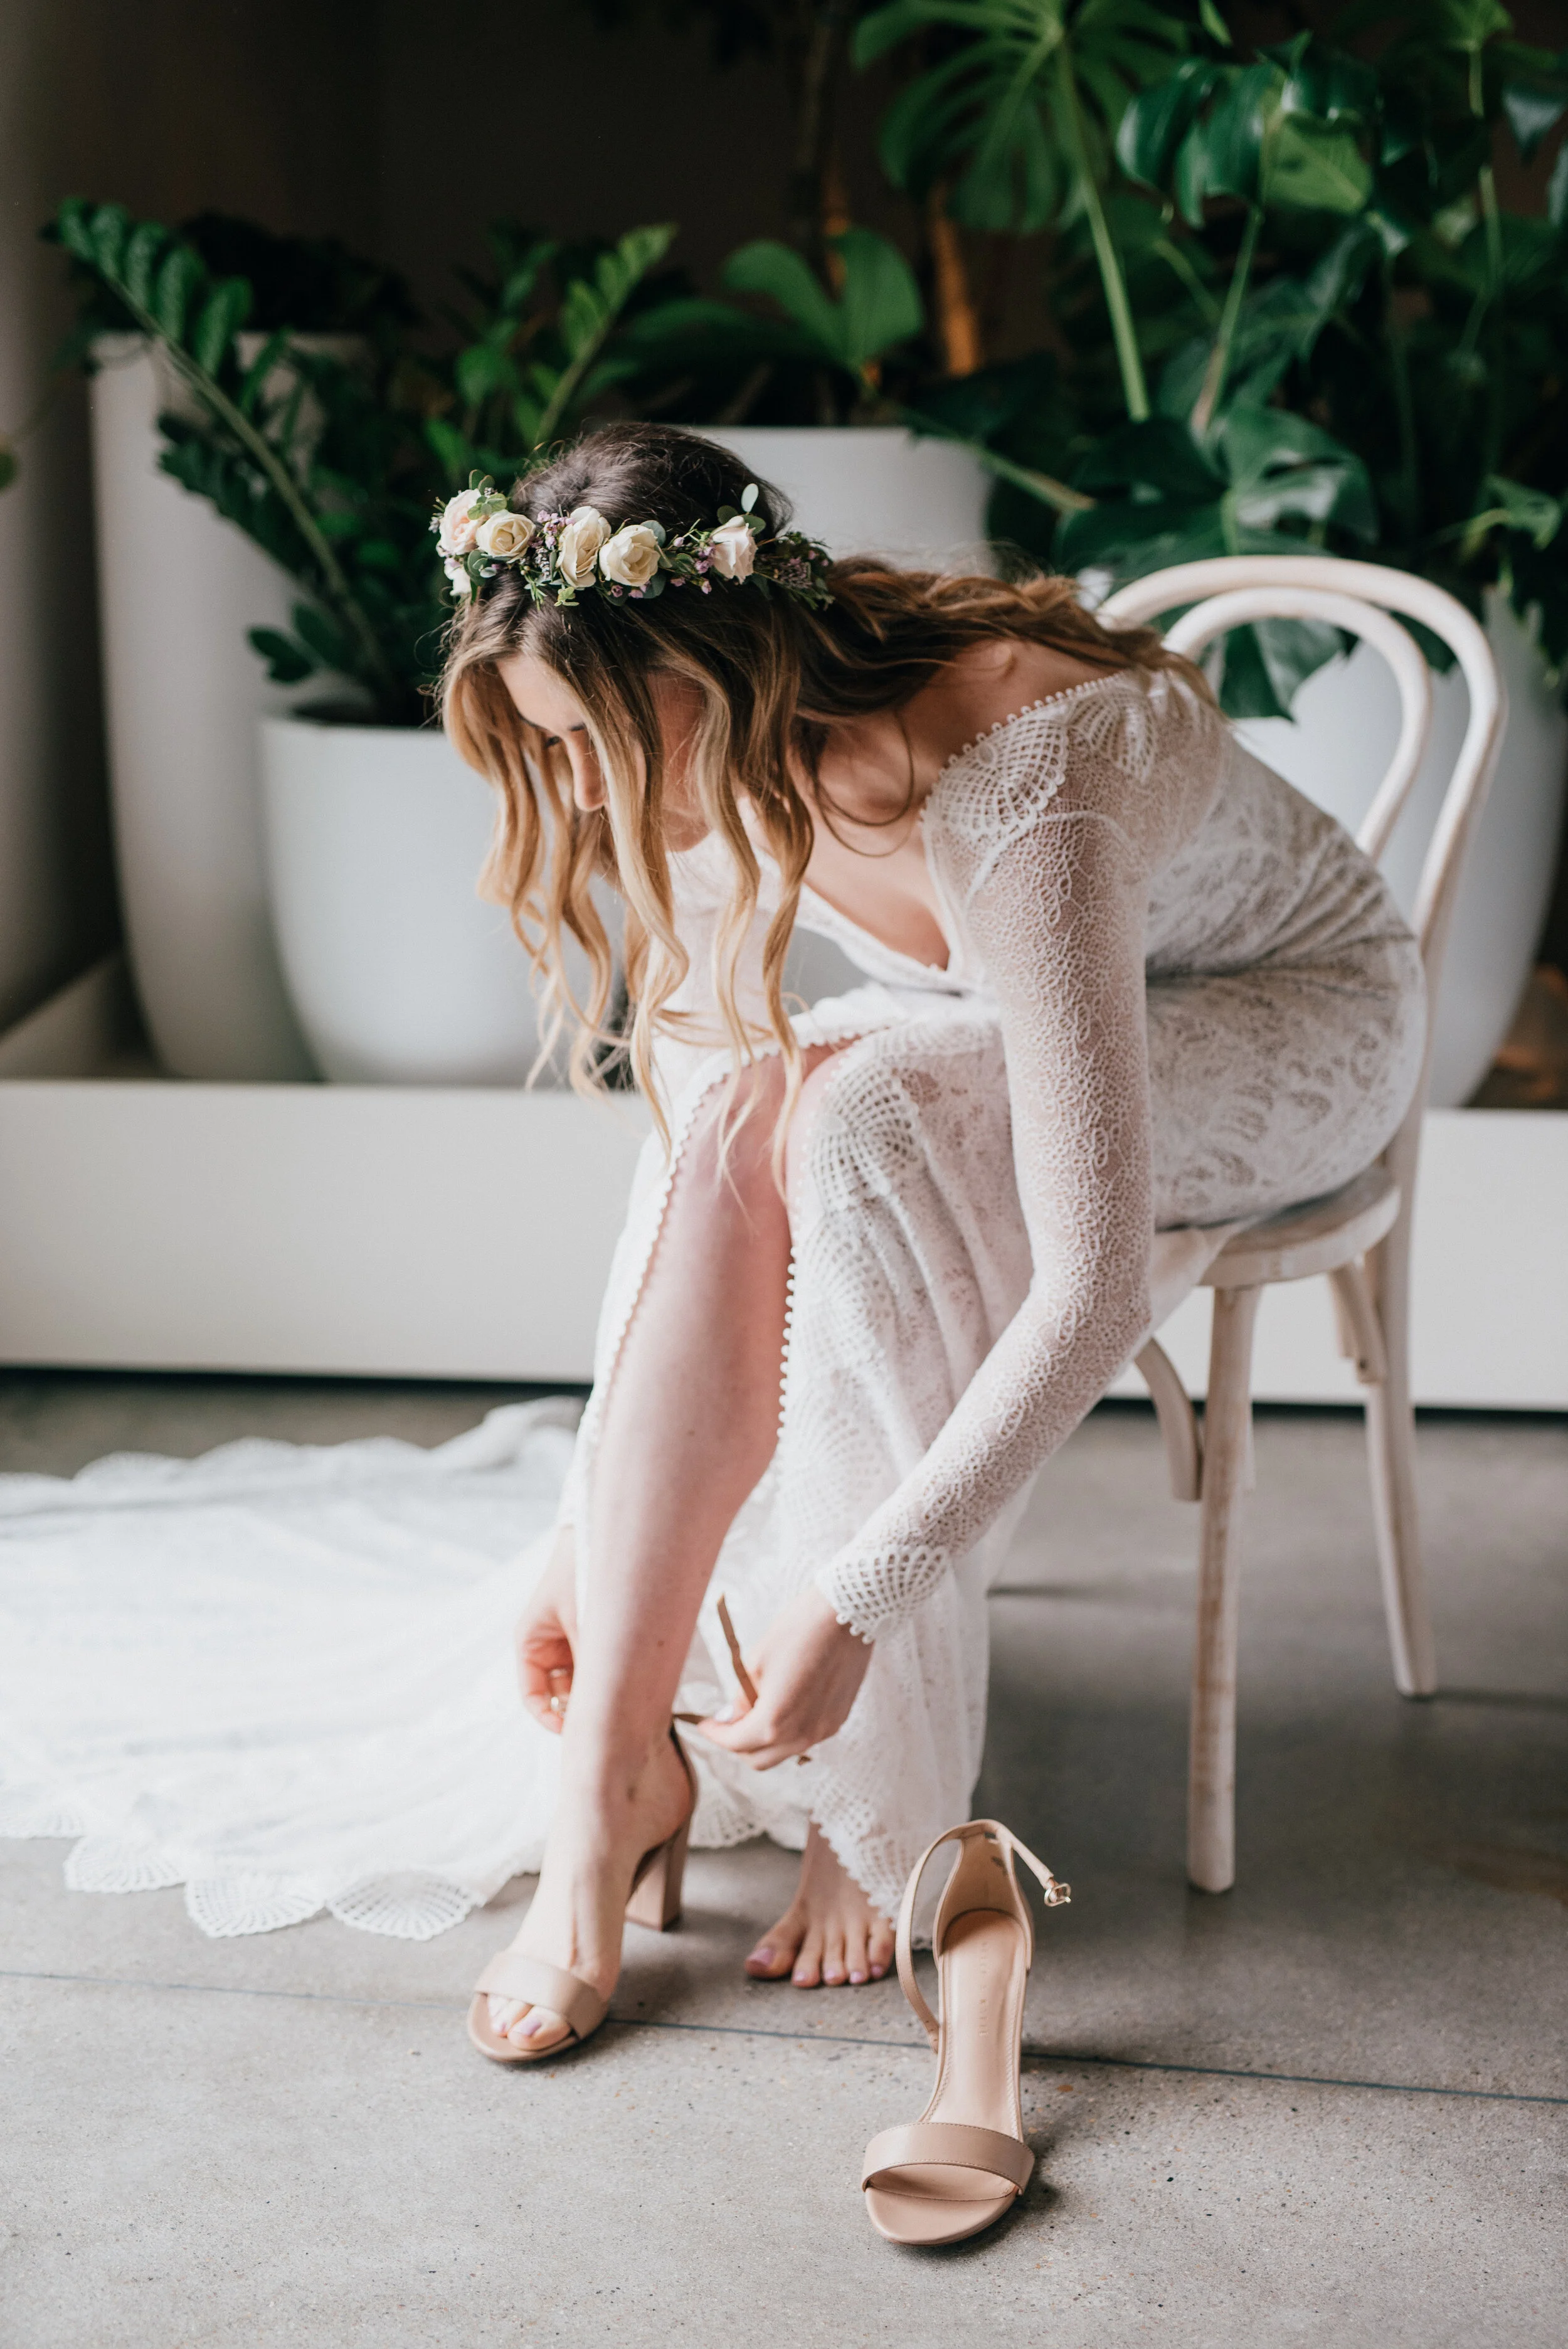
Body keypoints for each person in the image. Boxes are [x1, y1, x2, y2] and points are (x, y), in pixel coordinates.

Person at [439, 422, 1425, 2058]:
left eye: (610, 737)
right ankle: (611, 1766)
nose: (582, 789)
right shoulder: (697, 757)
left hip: (1292, 1025)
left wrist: (856, 1601)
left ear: (730, 663)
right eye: (550, 745)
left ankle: (866, 1799)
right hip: (1012, 1007)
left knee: (863, 1124)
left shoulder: (1020, 776)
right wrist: (582, 1535)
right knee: (767, 1108)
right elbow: (696, 1152)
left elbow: (1090, 1282)